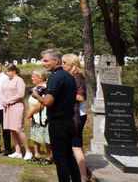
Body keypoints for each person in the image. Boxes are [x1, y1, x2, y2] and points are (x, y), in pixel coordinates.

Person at [32, 49, 81, 182]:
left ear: (56, 61)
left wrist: (36, 95)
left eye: (46, 60)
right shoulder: (69, 76)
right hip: (69, 120)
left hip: (58, 123)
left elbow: (48, 101)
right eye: (43, 60)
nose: (43, 63)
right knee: (69, 156)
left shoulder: (55, 77)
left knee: (60, 158)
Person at [62, 53, 90, 182]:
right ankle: (84, 171)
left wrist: (63, 93)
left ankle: (83, 177)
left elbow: (81, 97)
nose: (62, 65)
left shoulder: (77, 77)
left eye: (64, 63)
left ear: (72, 64)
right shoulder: (72, 76)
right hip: (75, 114)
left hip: (77, 116)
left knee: (75, 146)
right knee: (76, 145)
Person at [1, 64, 33, 160]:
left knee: (18, 128)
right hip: (7, 107)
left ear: (13, 71)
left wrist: (9, 100)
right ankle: (17, 151)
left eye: (8, 71)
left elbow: (21, 94)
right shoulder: (6, 80)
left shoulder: (19, 80)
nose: (6, 74)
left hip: (17, 106)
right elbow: (1, 92)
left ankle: (28, 151)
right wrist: (3, 100)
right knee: (11, 129)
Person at [27, 69, 52, 164]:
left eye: (34, 76)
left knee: (46, 138)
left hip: (43, 116)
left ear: (40, 77)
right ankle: (36, 155)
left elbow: (41, 104)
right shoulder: (37, 87)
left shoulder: (44, 88)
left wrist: (30, 114)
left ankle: (50, 156)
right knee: (35, 136)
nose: (32, 78)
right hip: (35, 116)